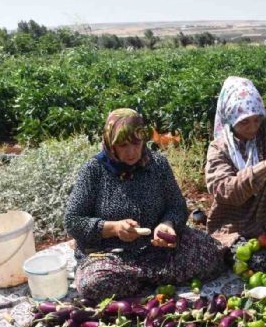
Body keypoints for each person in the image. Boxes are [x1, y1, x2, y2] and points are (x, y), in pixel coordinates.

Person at [64, 108, 226, 301]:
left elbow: (177, 206)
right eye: (123, 145)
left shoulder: (157, 164)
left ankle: (140, 281)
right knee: (95, 283)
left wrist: (167, 224)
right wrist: (114, 228)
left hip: (157, 250)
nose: (131, 152)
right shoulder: (94, 171)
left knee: (211, 254)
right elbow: (72, 220)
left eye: (136, 143)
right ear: (110, 143)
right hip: (112, 255)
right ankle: (153, 278)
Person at [205, 22, 266, 247]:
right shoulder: (219, 149)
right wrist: (265, 166)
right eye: (245, 122)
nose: (253, 126)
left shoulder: (262, 132)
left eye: (257, 119)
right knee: (257, 260)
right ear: (230, 120)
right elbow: (228, 191)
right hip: (233, 229)